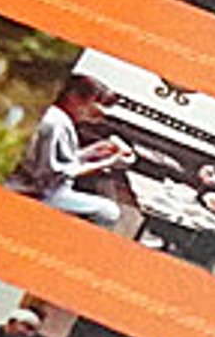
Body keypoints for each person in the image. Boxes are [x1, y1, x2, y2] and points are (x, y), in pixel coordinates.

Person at [17, 78, 140, 230]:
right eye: (95, 103)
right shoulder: (55, 123)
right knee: (109, 212)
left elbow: (61, 159)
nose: (100, 111)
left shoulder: (61, 119)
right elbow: (59, 173)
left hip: (47, 186)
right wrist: (110, 162)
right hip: (37, 191)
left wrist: (92, 151)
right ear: (74, 98)